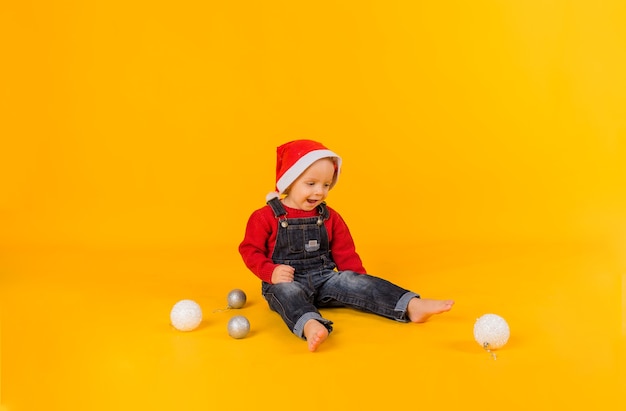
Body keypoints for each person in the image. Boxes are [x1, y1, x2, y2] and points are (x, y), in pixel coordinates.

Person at [238, 139, 454, 352]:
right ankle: (310, 323)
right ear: (290, 181)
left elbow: (345, 252)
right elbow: (250, 250)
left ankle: (410, 306)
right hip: (285, 280)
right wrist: (271, 272)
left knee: (351, 280)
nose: (319, 192)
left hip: (324, 278)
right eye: (311, 184)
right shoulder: (265, 217)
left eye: (326, 185)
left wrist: (360, 283)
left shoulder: (330, 217)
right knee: (288, 294)